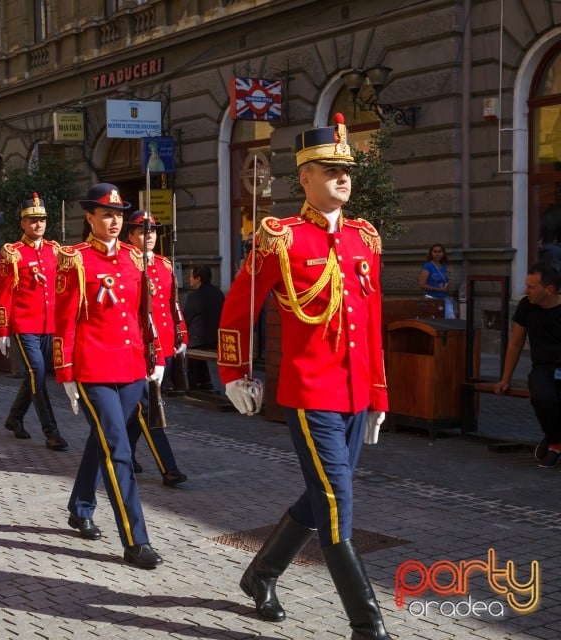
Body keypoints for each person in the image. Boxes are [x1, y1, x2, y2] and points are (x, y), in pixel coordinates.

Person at [217, 114, 392, 639]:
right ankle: (367, 624)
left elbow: (373, 321)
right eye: (329, 168)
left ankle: (260, 574)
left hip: (356, 394)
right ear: (305, 179)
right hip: (309, 392)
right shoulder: (280, 239)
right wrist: (234, 373)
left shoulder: (365, 239)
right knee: (337, 507)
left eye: (347, 170)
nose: (342, 177)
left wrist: (379, 392)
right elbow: (236, 309)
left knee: (320, 498)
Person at [55, 182, 164, 570]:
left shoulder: (137, 258)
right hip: (93, 369)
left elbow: (144, 313)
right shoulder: (75, 259)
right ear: (90, 218)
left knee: (104, 438)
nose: (114, 221)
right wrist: (65, 371)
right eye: (106, 214)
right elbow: (64, 320)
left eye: (118, 215)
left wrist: (157, 355)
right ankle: (136, 540)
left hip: (132, 367)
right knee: (118, 448)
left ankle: (80, 504)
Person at [0, 193, 68, 450]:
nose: (38, 225)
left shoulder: (55, 250)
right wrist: (2, 330)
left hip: (50, 325)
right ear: (23, 224)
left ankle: (15, 418)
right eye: (32, 220)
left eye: (42, 220)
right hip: (25, 325)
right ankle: (51, 431)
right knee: (37, 373)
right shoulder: (12, 253)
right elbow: (3, 293)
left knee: (35, 376)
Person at [122, 209, 188, 487]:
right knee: (151, 408)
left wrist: (181, 333)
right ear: (131, 236)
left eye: (152, 231)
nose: (148, 236)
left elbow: (173, 303)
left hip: (166, 346)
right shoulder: (126, 264)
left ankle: (123, 453)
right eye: (142, 232)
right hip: (143, 348)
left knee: (143, 410)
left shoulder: (164, 264)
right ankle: (168, 468)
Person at [494, 262, 561, 467]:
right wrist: (505, 378)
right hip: (542, 367)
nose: (526, 290)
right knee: (542, 396)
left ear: (548, 290)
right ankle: (555, 442)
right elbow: (515, 344)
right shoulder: (526, 306)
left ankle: (553, 439)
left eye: (531, 287)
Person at [182, 264, 225, 390]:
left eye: (191, 276)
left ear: (198, 279)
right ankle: (205, 381)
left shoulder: (194, 296)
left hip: (199, 340)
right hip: (217, 339)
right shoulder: (218, 293)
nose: (189, 279)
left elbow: (186, 319)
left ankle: (193, 382)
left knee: (187, 345)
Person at [418, 244, 455, 318]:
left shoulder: (443, 266)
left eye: (440, 251)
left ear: (443, 253)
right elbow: (422, 284)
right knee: (435, 322)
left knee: (450, 320)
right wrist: (439, 289)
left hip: (444, 299)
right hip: (432, 299)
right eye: (435, 252)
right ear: (431, 253)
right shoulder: (428, 266)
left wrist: (448, 286)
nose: (438, 254)